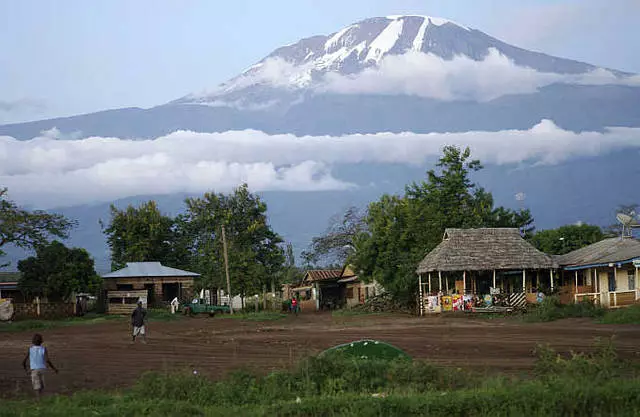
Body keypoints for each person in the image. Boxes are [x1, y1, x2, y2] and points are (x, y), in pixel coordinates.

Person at [22, 333, 58, 399]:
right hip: (42, 369)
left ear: (32, 341)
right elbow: (47, 360)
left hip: (34, 370)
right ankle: (40, 398)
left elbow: (23, 362)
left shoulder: (30, 349)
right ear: (41, 341)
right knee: (41, 386)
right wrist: (54, 368)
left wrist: (26, 370)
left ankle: (38, 400)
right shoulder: (44, 349)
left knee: (36, 386)